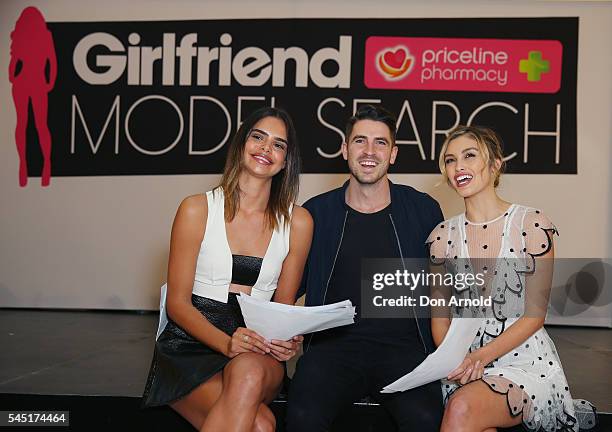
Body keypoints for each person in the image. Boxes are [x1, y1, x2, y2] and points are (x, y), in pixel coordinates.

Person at [141, 106, 313, 432]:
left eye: (278, 145)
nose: (266, 149)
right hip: (192, 341)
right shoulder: (196, 209)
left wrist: (287, 339)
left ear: (287, 160)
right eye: (258, 137)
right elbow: (177, 303)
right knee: (260, 425)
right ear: (240, 144)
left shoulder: (299, 222)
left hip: (258, 344)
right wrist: (226, 343)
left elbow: (284, 306)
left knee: (248, 372)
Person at [427, 125, 597, 431]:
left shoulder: (531, 225)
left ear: (495, 164)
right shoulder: (442, 237)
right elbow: (439, 319)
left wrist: (479, 358)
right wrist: (459, 362)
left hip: (524, 364)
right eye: (450, 160)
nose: (458, 166)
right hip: (462, 366)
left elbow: (535, 316)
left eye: (469, 155)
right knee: (471, 415)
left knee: (463, 408)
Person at [286, 105, 444, 432]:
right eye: (360, 141)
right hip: (333, 351)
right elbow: (287, 287)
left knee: (427, 420)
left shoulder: (424, 209)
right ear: (345, 149)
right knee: (302, 418)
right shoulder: (315, 214)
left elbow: (446, 287)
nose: (369, 151)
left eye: (380, 143)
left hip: (405, 351)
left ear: (394, 153)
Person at [9, 6, 57, 187]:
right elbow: (52, 62)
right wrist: (49, 82)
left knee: (24, 124)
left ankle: (26, 165)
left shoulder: (24, 36)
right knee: (39, 125)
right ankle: (44, 165)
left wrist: (12, 76)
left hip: (23, 83)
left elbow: (13, 65)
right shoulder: (44, 36)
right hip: (36, 83)